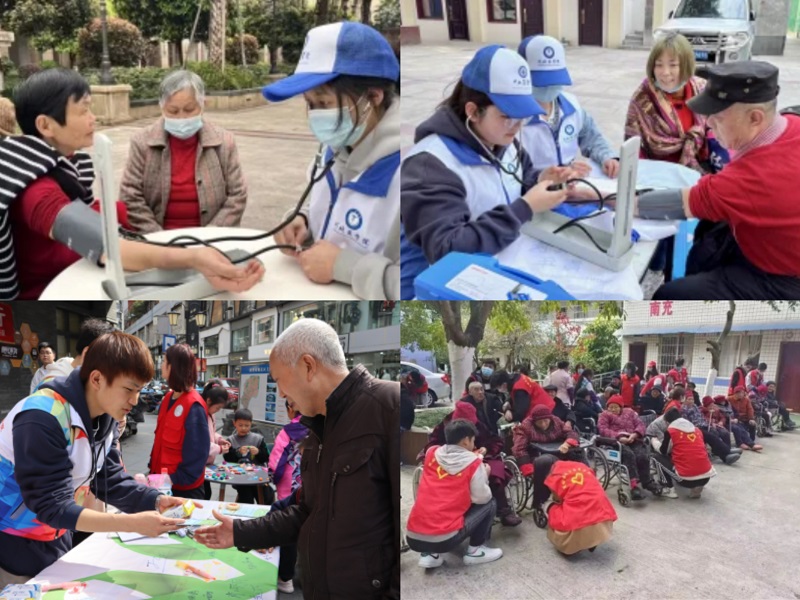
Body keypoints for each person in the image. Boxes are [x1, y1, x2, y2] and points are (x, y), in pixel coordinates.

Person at [0, 69, 264, 300]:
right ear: (46, 125)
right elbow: (106, 246)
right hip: (53, 292)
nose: (93, 118)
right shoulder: (36, 191)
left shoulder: (62, 167)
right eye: (83, 110)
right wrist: (194, 258)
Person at [193, 318, 399, 599]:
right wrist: (241, 533)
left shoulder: (388, 406)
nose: (280, 393)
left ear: (308, 366)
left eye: (279, 379)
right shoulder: (317, 427)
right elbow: (307, 510)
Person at [0, 332, 193, 585]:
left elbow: (109, 479)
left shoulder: (105, 417)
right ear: (97, 379)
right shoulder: (42, 416)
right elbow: (51, 505)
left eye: (139, 390)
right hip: (12, 541)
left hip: (55, 534)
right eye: (129, 389)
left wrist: (155, 500)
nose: (134, 401)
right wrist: (131, 523)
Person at [400, 44, 581, 300]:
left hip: (501, 260)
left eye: (522, 116)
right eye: (508, 116)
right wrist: (525, 207)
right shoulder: (430, 165)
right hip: (444, 287)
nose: (517, 126)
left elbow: (522, 178)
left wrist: (542, 180)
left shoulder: (501, 140)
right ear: (473, 111)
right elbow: (447, 251)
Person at [630, 60, 800, 299]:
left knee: (671, 295)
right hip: (778, 243)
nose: (708, 123)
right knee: (709, 233)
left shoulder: (748, 180)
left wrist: (613, 201)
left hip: (783, 278)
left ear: (755, 118)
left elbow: (679, 203)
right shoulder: (791, 121)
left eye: (718, 117)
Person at [266, 22, 401, 300]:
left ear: (373, 97)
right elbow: (333, 208)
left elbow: (420, 284)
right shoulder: (334, 150)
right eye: (310, 104)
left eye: (324, 103)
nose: (316, 115)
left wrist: (346, 267)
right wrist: (302, 220)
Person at [120, 70, 246, 232]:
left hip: (211, 237)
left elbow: (237, 195)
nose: (181, 118)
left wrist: (210, 234)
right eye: (173, 111)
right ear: (161, 107)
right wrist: (159, 238)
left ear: (202, 105)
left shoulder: (224, 142)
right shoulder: (142, 142)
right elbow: (129, 196)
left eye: (189, 109)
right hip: (158, 238)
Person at [405, 419, 503, 568]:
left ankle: (429, 555)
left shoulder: (432, 452)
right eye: (473, 441)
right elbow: (482, 498)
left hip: (413, 538)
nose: (474, 445)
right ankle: (475, 551)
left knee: (433, 499)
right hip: (444, 540)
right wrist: (485, 474)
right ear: (465, 441)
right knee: (490, 503)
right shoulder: (474, 463)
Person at [518, 35, 618, 177]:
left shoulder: (572, 106)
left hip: (571, 183)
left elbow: (592, 137)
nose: (549, 87)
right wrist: (556, 173)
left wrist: (607, 157)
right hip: (535, 187)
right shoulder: (513, 119)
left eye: (554, 80)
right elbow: (509, 174)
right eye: (541, 81)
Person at [624, 33, 716, 173]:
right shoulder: (642, 99)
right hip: (658, 173)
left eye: (673, 65)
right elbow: (633, 147)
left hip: (702, 169)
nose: (665, 72)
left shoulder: (703, 89)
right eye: (659, 65)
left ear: (685, 65)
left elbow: (717, 131)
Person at [149, 344, 210, 500]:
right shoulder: (167, 399)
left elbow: (198, 455)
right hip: (160, 483)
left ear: (173, 366)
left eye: (164, 361)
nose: (161, 365)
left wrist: (171, 479)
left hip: (183, 491)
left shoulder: (194, 405)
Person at [537, 458, 617, 556]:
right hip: (602, 513)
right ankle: (592, 539)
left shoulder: (553, 476)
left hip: (578, 518)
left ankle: (573, 544)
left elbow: (558, 499)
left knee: (551, 508)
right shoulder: (582, 466)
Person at [267, 399, 308, 594]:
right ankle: (308, 575)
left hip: (289, 484)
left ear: (291, 409)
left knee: (288, 528)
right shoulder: (319, 426)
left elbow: (276, 462)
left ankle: (285, 578)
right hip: (312, 484)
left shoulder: (288, 431)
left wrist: (272, 478)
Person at [597, 396, 655, 499]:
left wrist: (635, 434)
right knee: (629, 455)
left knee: (642, 455)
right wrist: (619, 437)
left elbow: (640, 424)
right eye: (610, 407)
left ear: (621, 407)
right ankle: (634, 486)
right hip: (615, 442)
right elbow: (603, 430)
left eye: (615, 407)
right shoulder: (604, 415)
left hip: (633, 439)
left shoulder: (630, 412)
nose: (613, 409)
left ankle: (647, 481)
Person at [653, 407, 716, 499]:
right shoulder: (697, 430)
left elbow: (663, 451)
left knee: (656, 457)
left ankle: (668, 488)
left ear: (667, 422)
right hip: (706, 477)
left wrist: (654, 441)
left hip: (685, 480)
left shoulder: (670, 432)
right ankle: (697, 486)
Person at [513, 404, 582, 479]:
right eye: (539, 422)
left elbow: (570, 432)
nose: (543, 424)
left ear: (550, 418)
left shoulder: (556, 421)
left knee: (578, 455)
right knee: (545, 463)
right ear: (534, 421)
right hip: (537, 456)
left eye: (546, 421)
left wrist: (567, 443)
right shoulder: (526, 426)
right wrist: (527, 467)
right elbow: (519, 448)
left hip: (557, 452)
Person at [222, 408, 270, 504]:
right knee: (246, 498)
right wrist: (238, 452)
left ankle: (265, 512)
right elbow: (227, 459)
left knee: (267, 496)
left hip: (258, 476)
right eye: (240, 425)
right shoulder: (231, 440)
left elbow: (266, 457)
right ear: (234, 423)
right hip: (240, 478)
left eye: (247, 425)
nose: (243, 428)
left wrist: (258, 452)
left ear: (251, 424)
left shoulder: (258, 439)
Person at [679, 392, 741, 464]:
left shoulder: (695, 406)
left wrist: (709, 423)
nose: (691, 401)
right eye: (689, 399)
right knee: (712, 437)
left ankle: (725, 453)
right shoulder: (684, 409)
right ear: (685, 400)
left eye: (692, 399)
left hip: (704, 425)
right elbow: (686, 421)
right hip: (695, 428)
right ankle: (726, 453)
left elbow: (701, 417)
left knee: (715, 433)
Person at [200, 380, 232, 500]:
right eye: (217, 408)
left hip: (207, 463)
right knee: (204, 494)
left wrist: (219, 440)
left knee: (207, 493)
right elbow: (202, 443)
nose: (217, 411)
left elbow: (211, 433)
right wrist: (219, 449)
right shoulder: (201, 415)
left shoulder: (210, 414)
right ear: (208, 401)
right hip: (200, 463)